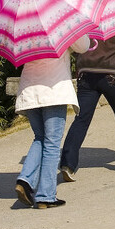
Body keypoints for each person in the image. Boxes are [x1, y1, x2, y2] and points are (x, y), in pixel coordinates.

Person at [14, 34, 91, 209]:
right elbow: (83, 45)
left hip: (30, 89)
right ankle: (46, 195)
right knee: (52, 142)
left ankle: (25, 180)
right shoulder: (61, 22)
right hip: (53, 90)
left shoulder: (25, 26)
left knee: (40, 137)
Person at [58, 30, 115, 178]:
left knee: (81, 119)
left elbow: (76, 47)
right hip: (112, 74)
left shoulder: (84, 16)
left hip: (86, 73)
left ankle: (67, 163)